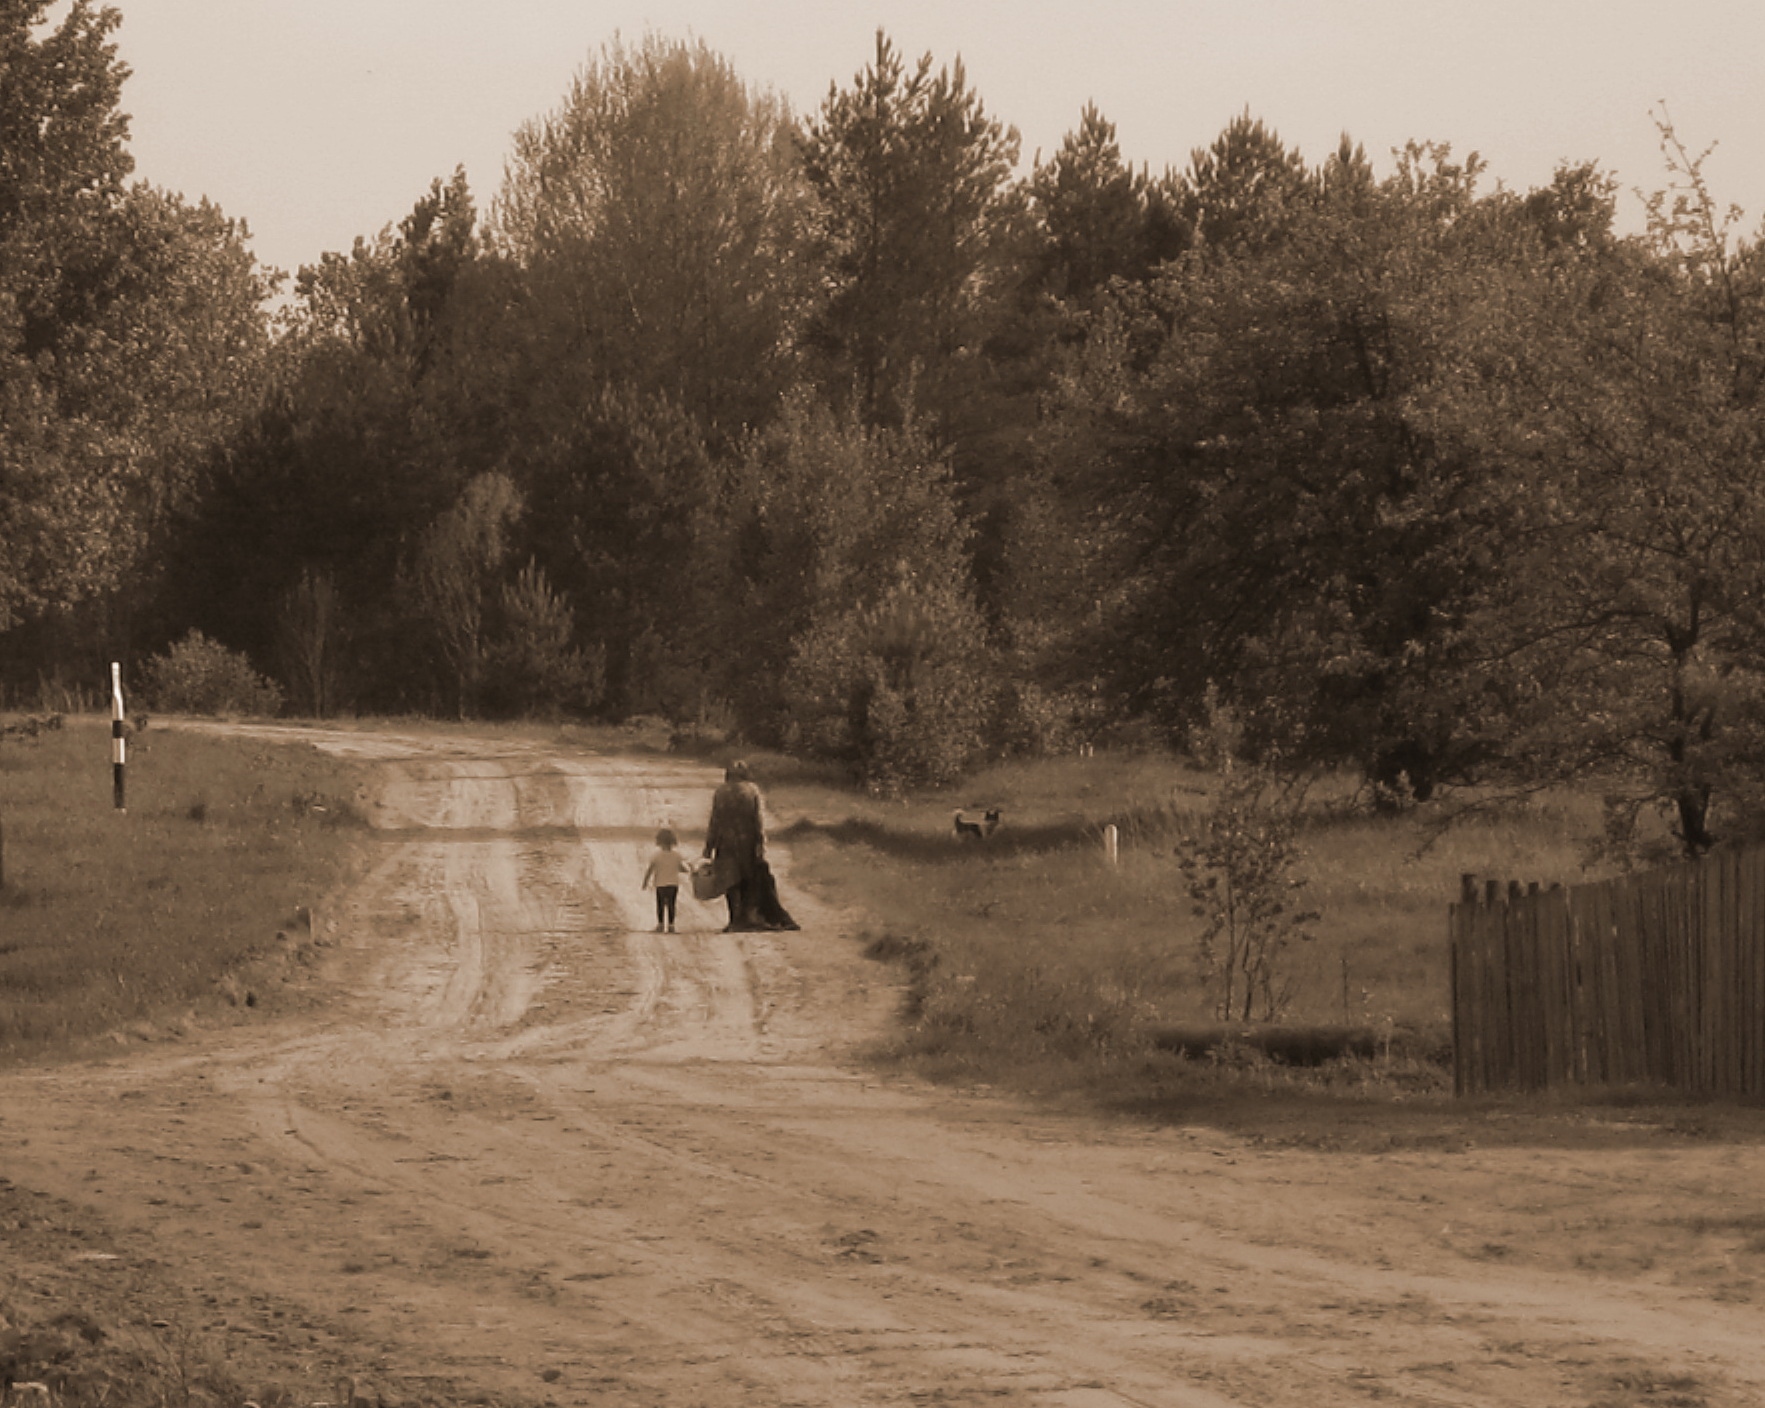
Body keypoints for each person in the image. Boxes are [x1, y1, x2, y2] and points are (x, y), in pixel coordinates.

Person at [703, 760, 797, 932]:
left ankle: (734, 920)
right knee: (748, 879)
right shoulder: (752, 790)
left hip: (726, 843)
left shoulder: (720, 792)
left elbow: (714, 820)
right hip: (747, 842)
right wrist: (761, 844)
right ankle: (748, 917)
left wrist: (709, 847)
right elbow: (758, 820)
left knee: (730, 881)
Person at [640, 826, 687, 933]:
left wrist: (645, 882)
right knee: (671, 904)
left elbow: (650, 870)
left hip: (660, 884)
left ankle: (660, 925)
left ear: (659, 842)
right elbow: (681, 868)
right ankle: (671, 925)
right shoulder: (677, 856)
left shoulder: (656, 856)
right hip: (673, 884)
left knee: (660, 905)